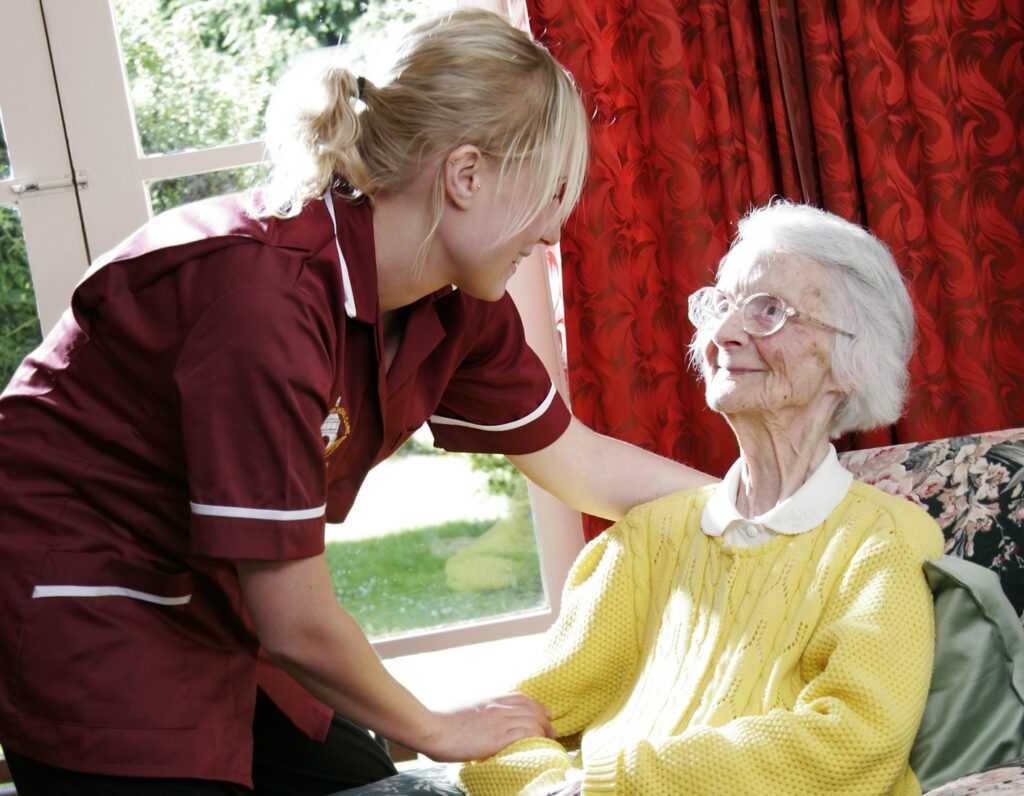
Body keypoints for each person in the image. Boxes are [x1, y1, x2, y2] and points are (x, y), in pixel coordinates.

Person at [0, 9, 715, 796]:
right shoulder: (261, 303)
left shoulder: (454, 298)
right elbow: (297, 621)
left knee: (360, 776)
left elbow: (578, 461)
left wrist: (774, 506)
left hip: (219, 592)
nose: (553, 232)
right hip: (84, 594)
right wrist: (439, 727)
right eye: (549, 195)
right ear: (465, 174)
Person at [455, 202, 945, 796]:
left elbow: (851, 743)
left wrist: (604, 788)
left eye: (769, 310)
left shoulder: (883, 542)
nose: (724, 333)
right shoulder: (647, 539)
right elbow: (507, 727)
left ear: (850, 360)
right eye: (720, 305)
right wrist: (548, 789)